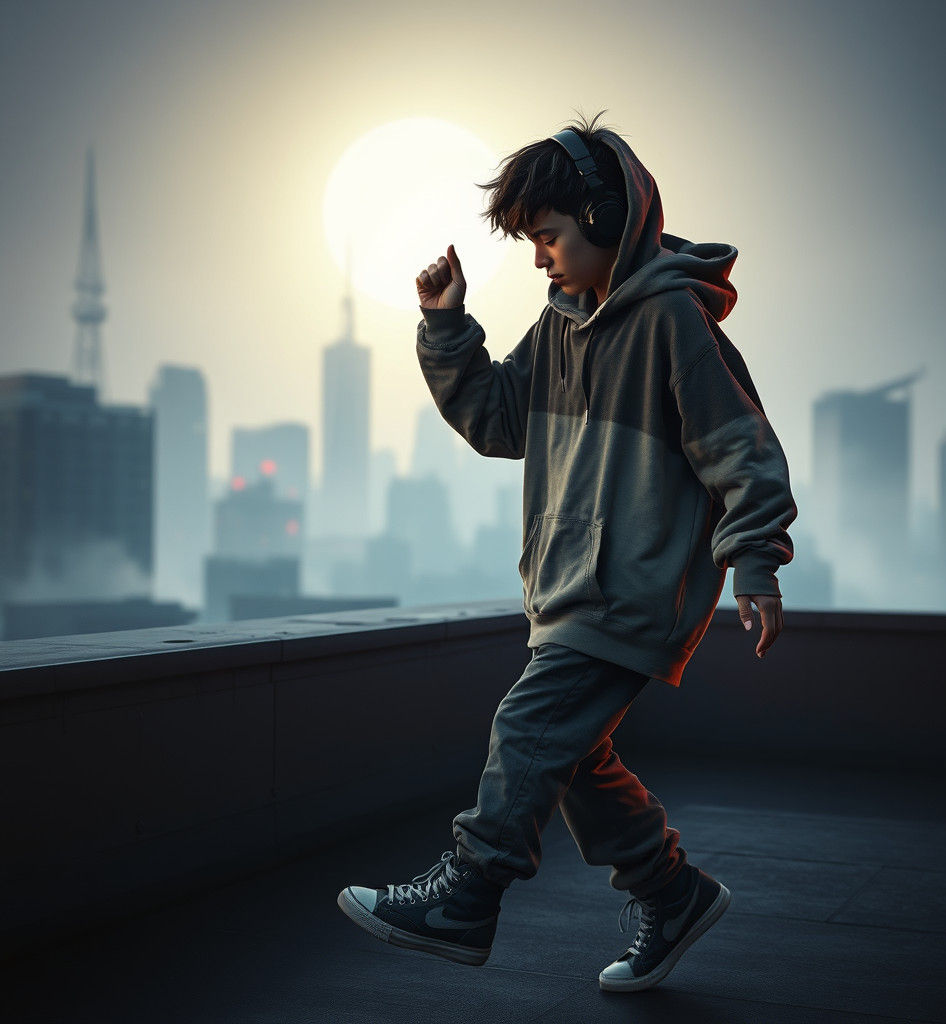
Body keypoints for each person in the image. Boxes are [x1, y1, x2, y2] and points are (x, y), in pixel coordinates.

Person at [338, 109, 797, 993]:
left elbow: (741, 447)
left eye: (547, 237)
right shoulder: (561, 326)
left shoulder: (672, 320)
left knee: (528, 728)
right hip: (567, 589)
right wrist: (444, 326)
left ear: (602, 214)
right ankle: (674, 892)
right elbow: (499, 421)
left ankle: (466, 894)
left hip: (629, 590)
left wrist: (756, 561)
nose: (541, 258)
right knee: (572, 758)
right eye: (529, 243)